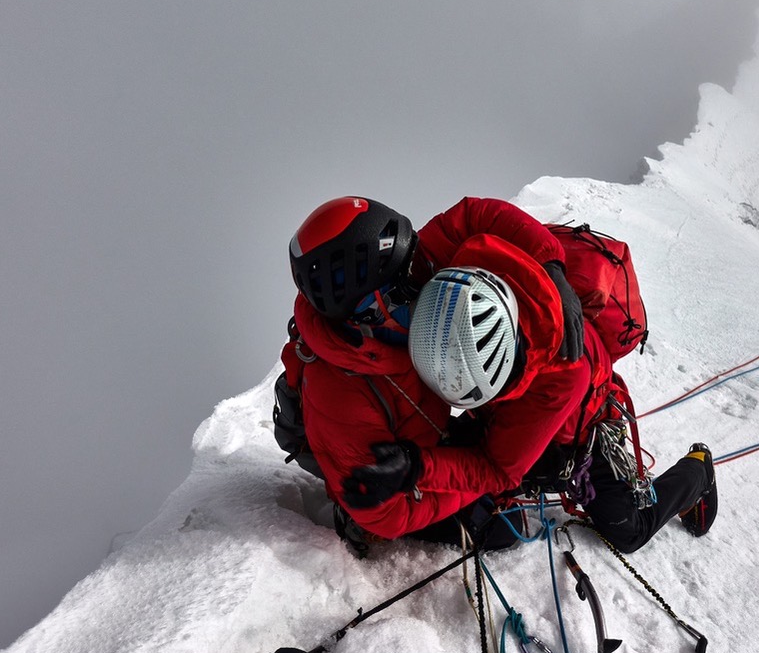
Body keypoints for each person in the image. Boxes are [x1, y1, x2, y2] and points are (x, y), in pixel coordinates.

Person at [345, 235, 718, 554]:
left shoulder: (563, 375)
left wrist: (417, 468)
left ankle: (697, 471)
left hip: (583, 434)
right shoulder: (472, 285)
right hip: (516, 413)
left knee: (628, 530)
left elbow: (498, 469)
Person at [274, 195, 588, 549]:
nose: (426, 291)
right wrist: (414, 470)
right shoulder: (342, 394)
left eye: (414, 269)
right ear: (364, 319)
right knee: (499, 525)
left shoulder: (421, 270)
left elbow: (476, 215)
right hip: (360, 451)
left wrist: (550, 265)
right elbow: (386, 515)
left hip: (425, 430)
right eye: (404, 288)